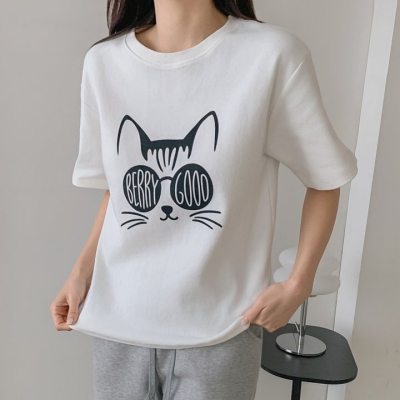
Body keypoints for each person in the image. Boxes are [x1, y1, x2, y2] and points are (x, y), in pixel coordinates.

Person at [49, 1, 358, 399]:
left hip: (220, 331)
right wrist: (81, 271)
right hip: (117, 323)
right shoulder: (104, 64)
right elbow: (119, 189)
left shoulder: (272, 56)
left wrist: (299, 283)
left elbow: (325, 177)